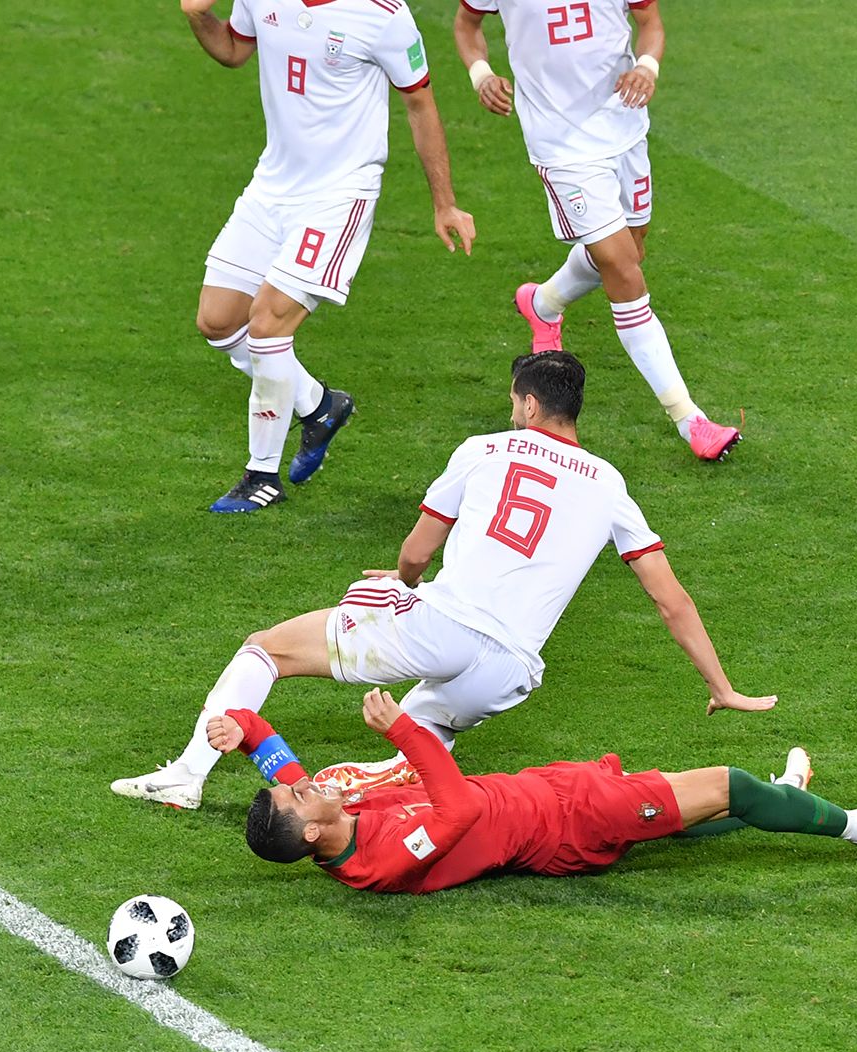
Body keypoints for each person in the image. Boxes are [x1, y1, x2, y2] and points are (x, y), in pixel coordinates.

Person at [113, 351, 774, 809]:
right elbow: (670, 598)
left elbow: (416, 548)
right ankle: (362, 816)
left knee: (266, 648)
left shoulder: (484, 449)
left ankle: (187, 775)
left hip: (443, 626)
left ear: (531, 403)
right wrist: (723, 687)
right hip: (512, 671)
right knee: (405, 768)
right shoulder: (608, 483)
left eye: (516, 400)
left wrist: (402, 584)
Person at [181, 0, 477, 512]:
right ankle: (319, 406)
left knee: (268, 326)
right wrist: (197, 16)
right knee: (218, 322)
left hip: (339, 195)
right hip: (271, 186)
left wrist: (444, 203)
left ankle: (260, 476)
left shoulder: (384, 16)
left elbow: (420, 104)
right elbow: (232, 51)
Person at [212, 689, 857, 893]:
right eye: (301, 799)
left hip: (547, 800)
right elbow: (460, 808)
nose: (307, 786)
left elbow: (277, 764)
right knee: (729, 783)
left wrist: (242, 726)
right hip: (566, 821)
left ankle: (785, 795)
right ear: (311, 835)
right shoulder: (380, 860)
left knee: (690, 814)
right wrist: (403, 732)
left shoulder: (321, 822)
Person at [453, 0, 742, 461]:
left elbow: (650, 23)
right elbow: (467, 26)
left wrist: (647, 66)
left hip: (624, 127)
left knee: (632, 249)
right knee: (624, 270)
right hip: (562, 146)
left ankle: (543, 303)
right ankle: (690, 420)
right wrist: (481, 75)